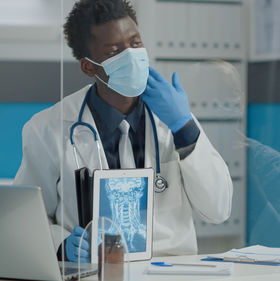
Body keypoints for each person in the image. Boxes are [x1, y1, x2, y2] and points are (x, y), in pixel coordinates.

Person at [14, 0, 232, 262]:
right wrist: (60, 244)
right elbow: (26, 219)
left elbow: (219, 210)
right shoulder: (48, 128)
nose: (130, 55)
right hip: (94, 271)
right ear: (88, 66)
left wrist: (184, 127)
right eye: (114, 51)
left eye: (136, 43)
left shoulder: (174, 119)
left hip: (169, 269)